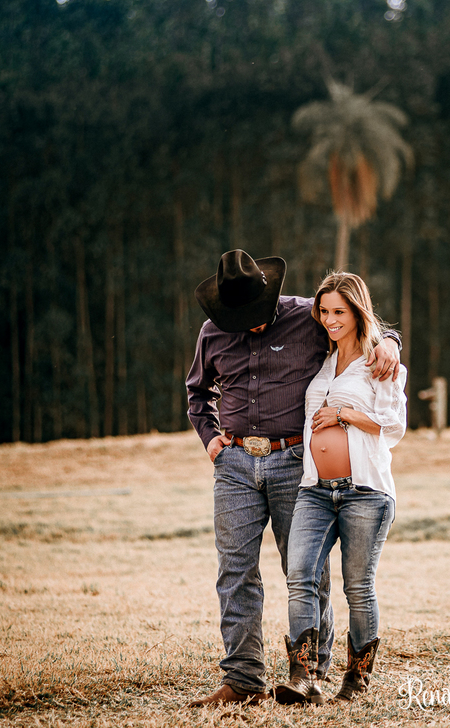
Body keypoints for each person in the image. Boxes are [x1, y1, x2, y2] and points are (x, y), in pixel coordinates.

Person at [185, 250, 401, 707]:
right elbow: (197, 393)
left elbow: (357, 326)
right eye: (242, 318)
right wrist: (210, 440)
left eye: (259, 314)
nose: (254, 325)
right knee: (235, 570)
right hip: (237, 463)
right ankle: (243, 677)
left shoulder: (307, 315)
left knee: (304, 569)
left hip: (292, 462)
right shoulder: (212, 334)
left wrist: (391, 343)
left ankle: (311, 674)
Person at [275, 271, 406, 706]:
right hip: (314, 490)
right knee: (300, 576)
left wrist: (344, 414)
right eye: (325, 312)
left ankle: (357, 679)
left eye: (340, 312)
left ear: (357, 312)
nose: (330, 320)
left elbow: (394, 427)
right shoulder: (322, 363)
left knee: (357, 587)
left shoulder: (380, 363)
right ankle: (303, 676)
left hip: (365, 492)